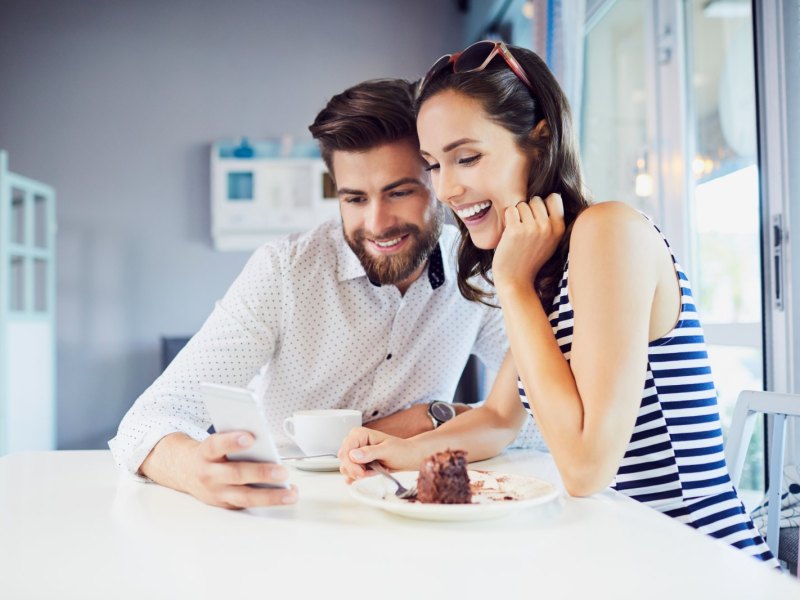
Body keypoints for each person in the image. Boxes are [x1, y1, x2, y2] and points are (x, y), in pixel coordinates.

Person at [338, 42, 777, 566]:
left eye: (468, 157)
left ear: (539, 142)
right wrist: (398, 453)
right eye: (433, 165)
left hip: (697, 560)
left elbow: (588, 468)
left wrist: (514, 286)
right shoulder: (550, 263)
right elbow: (501, 417)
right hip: (623, 551)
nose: (448, 188)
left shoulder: (607, 232)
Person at [110, 78, 541, 510]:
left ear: (438, 180)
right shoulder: (284, 271)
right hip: (291, 509)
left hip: (410, 514)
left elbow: (545, 417)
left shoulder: (480, 274)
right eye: (355, 199)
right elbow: (145, 421)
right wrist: (191, 469)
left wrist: (435, 417)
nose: (377, 223)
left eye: (400, 192)